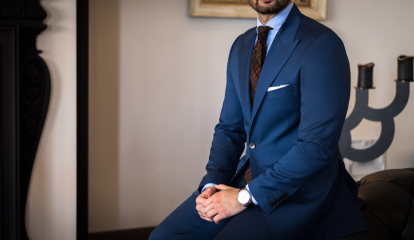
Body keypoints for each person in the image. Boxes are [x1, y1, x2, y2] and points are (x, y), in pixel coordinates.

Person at [149, 0, 369, 239]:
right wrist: (211, 184)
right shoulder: (241, 46)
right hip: (247, 177)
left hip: (302, 193)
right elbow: (230, 129)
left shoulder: (322, 44)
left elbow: (316, 146)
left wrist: (244, 197)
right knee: (163, 236)